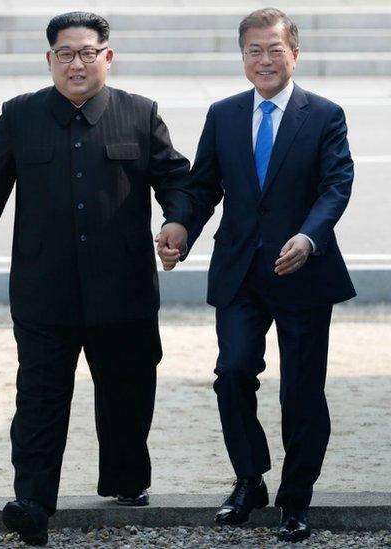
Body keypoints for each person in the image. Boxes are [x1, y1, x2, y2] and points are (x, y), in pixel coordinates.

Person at [0, 11, 193, 546]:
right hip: (43, 286)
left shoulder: (139, 114)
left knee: (128, 391)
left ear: (108, 56)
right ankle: (32, 501)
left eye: (86, 52)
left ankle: (126, 479)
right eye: (64, 53)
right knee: (38, 396)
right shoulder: (21, 115)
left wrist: (177, 220)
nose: (75, 63)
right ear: (49, 58)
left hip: (122, 286)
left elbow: (176, 177)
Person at [169, 8, 356, 543]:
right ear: (243, 58)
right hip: (240, 272)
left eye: (275, 49)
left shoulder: (323, 114)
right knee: (232, 373)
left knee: (301, 391)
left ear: (294, 53)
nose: (265, 59)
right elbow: (204, 186)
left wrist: (309, 236)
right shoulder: (223, 114)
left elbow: (335, 185)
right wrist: (181, 226)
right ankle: (249, 479)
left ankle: (295, 500)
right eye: (254, 50)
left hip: (303, 270)